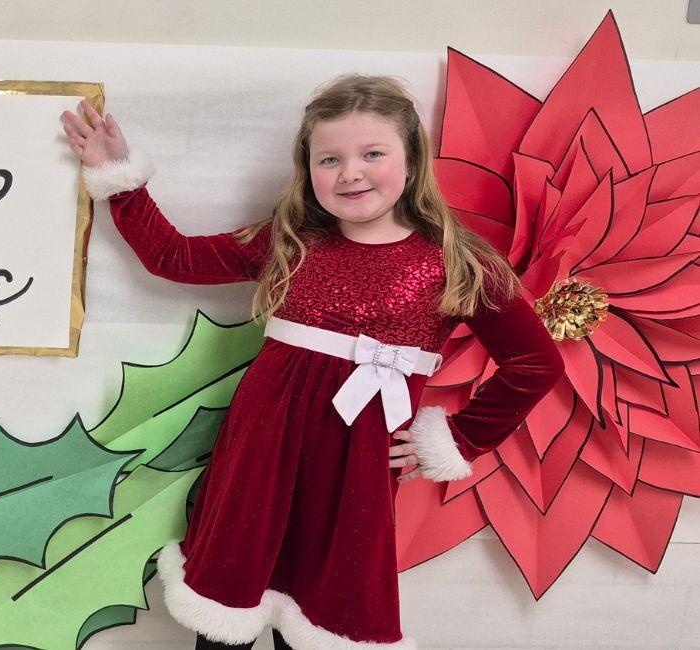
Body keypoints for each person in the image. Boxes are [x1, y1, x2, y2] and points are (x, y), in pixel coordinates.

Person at [61, 76, 563, 649]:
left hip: (353, 473)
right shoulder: (291, 241)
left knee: (322, 615)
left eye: (372, 154)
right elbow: (173, 257)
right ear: (308, 169)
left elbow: (535, 363)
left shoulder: (457, 261)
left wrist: (459, 438)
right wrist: (119, 179)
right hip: (259, 456)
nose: (350, 173)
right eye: (330, 159)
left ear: (411, 159)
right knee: (226, 609)